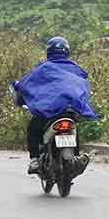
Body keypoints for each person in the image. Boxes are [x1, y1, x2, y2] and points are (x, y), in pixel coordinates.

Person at [12, 36, 100, 174]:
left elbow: (25, 85)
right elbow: (83, 86)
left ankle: (34, 159)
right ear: (67, 52)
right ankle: (76, 157)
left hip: (49, 111)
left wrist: (18, 89)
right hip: (71, 110)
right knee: (74, 126)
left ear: (49, 52)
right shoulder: (76, 69)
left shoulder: (43, 68)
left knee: (33, 128)